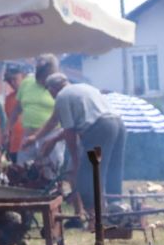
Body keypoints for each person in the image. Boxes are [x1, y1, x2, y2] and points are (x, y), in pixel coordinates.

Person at [29, 73, 125, 218]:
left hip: (100, 129)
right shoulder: (85, 88)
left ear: (52, 88)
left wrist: (75, 160)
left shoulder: (62, 96)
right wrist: (40, 138)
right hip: (118, 125)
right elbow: (56, 122)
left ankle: (95, 217)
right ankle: (116, 208)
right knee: (113, 169)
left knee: (87, 175)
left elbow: (69, 131)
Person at [8, 53, 59, 146]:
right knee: (24, 160)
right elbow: (17, 109)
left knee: (49, 160)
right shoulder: (27, 82)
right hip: (28, 133)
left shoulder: (58, 84)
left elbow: (57, 117)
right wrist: (8, 129)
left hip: (52, 134)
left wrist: (38, 135)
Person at [2, 64, 26, 163]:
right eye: (8, 81)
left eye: (14, 79)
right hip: (15, 146)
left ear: (23, 76)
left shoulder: (32, 95)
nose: (12, 83)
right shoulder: (9, 99)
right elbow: (10, 122)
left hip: (31, 144)